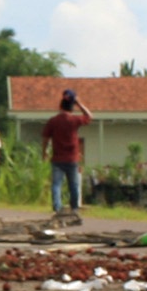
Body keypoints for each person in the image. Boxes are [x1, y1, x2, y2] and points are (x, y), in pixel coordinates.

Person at [41, 88, 93, 217]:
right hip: (72, 158)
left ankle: (57, 208)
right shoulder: (74, 120)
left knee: (56, 184)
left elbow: (46, 138)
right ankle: (74, 209)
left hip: (57, 158)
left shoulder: (53, 121)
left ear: (60, 106)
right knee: (74, 186)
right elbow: (89, 116)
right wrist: (79, 103)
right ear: (72, 107)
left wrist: (44, 152)